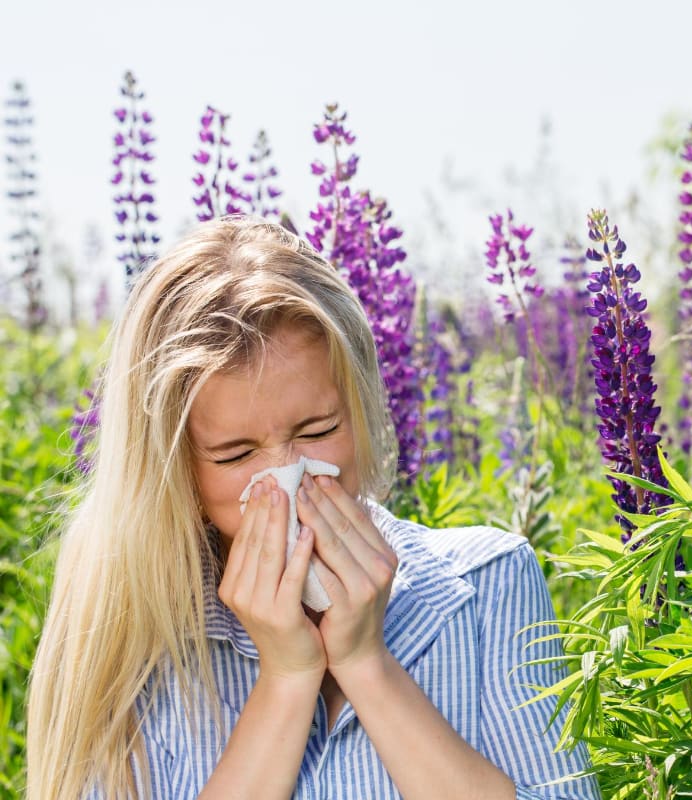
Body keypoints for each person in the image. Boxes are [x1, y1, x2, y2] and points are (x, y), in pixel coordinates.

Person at [26, 217, 600, 799]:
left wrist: (366, 663)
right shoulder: (137, 644)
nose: (289, 476)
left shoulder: (486, 583)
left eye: (318, 429)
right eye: (236, 453)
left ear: (362, 411)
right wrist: (286, 679)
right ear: (177, 475)